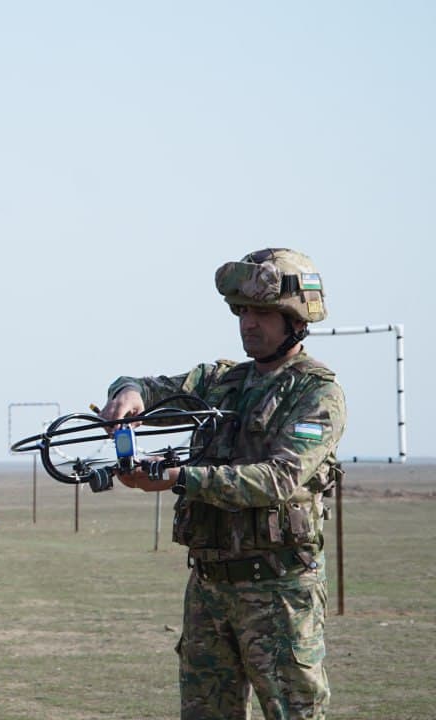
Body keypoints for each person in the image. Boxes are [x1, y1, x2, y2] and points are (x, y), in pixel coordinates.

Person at [98, 248, 345, 720]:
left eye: (264, 313)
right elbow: (148, 388)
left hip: (278, 592)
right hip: (209, 589)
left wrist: (179, 478)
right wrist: (127, 392)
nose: (249, 323)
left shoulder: (316, 392)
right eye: (243, 311)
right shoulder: (220, 381)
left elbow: (278, 479)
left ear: (296, 319)